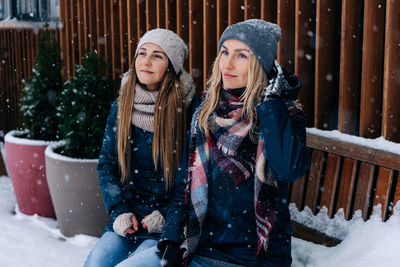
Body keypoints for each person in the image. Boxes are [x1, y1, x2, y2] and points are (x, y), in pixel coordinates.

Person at [158, 19, 311, 267]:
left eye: (241, 55)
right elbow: (183, 187)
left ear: (260, 64)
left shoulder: (283, 115)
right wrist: (172, 239)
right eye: (224, 52)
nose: (227, 64)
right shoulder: (205, 112)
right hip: (201, 247)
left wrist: (271, 103)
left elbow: (287, 169)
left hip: (255, 257)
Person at [83, 28, 196, 267]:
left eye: (157, 55)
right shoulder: (122, 104)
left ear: (171, 66)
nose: (146, 61)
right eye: (141, 53)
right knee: (96, 263)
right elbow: (107, 164)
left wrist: (166, 219)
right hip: (128, 218)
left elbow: (188, 181)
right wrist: (120, 211)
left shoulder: (188, 111)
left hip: (168, 225)